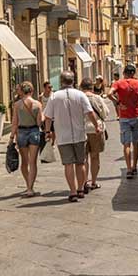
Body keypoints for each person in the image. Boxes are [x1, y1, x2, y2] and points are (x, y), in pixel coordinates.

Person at [44, 71, 99, 202]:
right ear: (73, 81)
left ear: (61, 81)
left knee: (68, 164)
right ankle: (80, 189)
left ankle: (73, 191)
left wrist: (47, 132)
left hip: (63, 136)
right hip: (79, 134)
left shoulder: (54, 97)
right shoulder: (80, 95)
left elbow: (47, 117)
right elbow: (90, 112)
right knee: (80, 163)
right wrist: (96, 125)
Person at [10, 82, 43, 197]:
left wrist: (11, 137)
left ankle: (28, 184)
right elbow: (39, 122)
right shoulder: (38, 104)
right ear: (31, 91)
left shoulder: (17, 104)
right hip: (34, 132)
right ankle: (30, 188)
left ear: (22, 92)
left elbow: (14, 122)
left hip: (21, 133)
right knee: (33, 162)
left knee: (24, 162)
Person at [110, 64, 138, 178]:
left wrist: (118, 103)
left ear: (124, 73)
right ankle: (135, 166)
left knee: (126, 144)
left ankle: (128, 169)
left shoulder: (118, 83)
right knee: (136, 142)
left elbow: (109, 94)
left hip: (124, 117)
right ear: (133, 73)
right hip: (136, 115)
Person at [81, 77, 108, 191]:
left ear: (81, 87)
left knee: (84, 158)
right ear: (92, 87)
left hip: (82, 130)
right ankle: (93, 182)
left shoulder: (79, 99)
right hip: (96, 129)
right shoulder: (97, 98)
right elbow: (106, 113)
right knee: (95, 157)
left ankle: (84, 182)